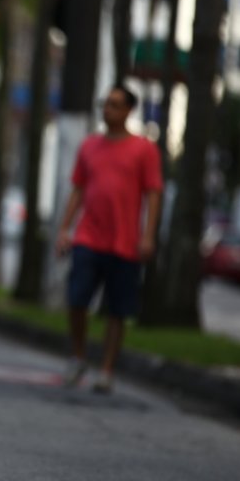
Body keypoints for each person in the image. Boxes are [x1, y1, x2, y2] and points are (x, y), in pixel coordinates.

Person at [54, 85, 162, 394]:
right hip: (88, 237)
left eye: (115, 105)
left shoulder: (144, 149)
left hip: (125, 243)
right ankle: (78, 357)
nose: (108, 110)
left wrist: (148, 236)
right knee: (76, 300)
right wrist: (65, 228)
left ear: (129, 110)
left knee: (117, 310)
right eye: (105, 104)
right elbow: (77, 189)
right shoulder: (89, 146)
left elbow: (153, 194)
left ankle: (106, 370)